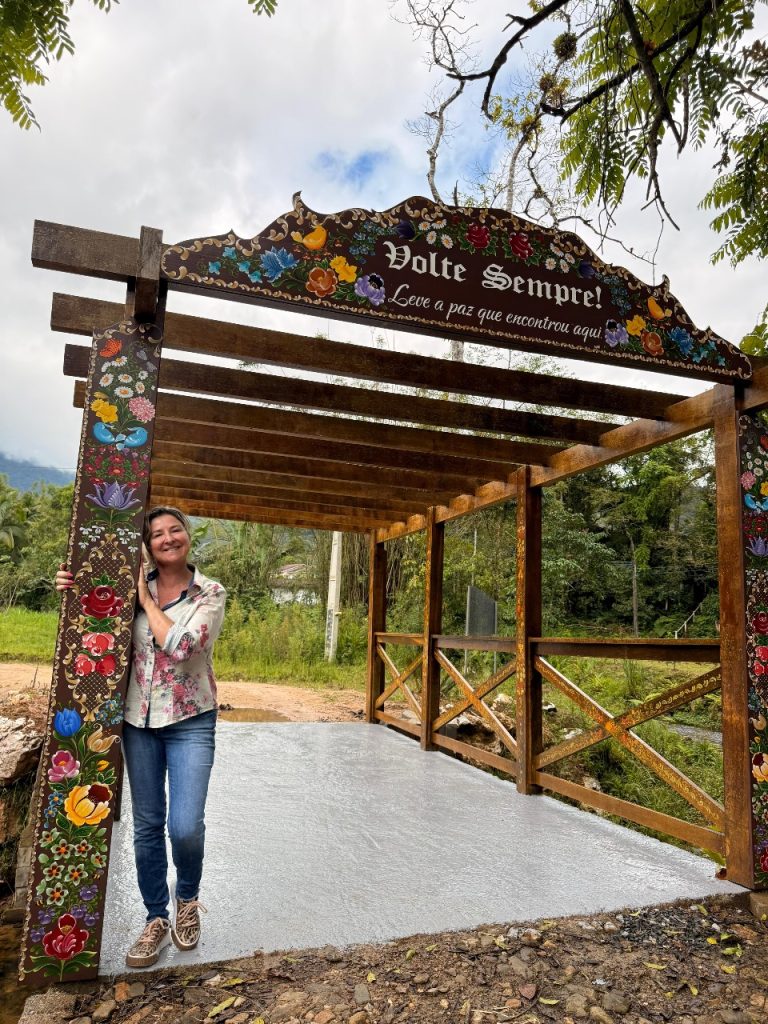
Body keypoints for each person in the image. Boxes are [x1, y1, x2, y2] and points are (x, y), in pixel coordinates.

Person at [56, 506, 226, 968]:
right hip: (137, 720)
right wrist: (72, 588)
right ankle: (156, 918)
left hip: (191, 720)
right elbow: (90, 622)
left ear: (187, 536)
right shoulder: (128, 587)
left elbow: (184, 646)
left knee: (185, 826)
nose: (168, 538)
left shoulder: (210, 592)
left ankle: (186, 899)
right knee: (147, 825)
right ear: (147, 545)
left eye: (175, 530)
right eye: (156, 534)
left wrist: (147, 602)